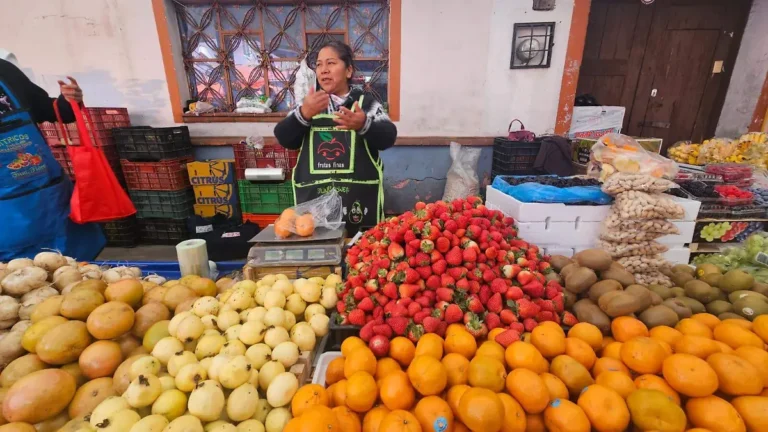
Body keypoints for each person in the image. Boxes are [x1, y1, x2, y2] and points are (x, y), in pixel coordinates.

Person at [274, 41, 397, 233]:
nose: (323, 70)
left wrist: (363, 124)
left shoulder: (365, 103)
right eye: (319, 65)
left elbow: (389, 137)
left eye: (331, 63)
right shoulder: (309, 105)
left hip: (359, 202)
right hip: (315, 205)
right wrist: (304, 114)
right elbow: (284, 138)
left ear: (348, 71)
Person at [0, 54, 105, 260]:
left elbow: (49, 110)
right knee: (19, 279)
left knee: (74, 270)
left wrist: (69, 101)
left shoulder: (5, 71)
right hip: (7, 215)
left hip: (49, 194)